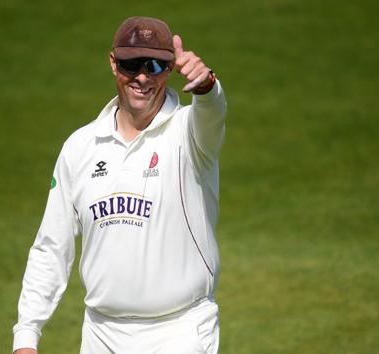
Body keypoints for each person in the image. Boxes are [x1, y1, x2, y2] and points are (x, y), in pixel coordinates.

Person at [12, 16, 227, 354]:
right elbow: (52, 247)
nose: (142, 77)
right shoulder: (80, 147)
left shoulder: (190, 133)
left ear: (169, 68)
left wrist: (206, 86)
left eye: (154, 65)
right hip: (101, 335)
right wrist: (27, 334)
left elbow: (212, 115)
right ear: (113, 64)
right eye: (131, 64)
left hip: (179, 332)